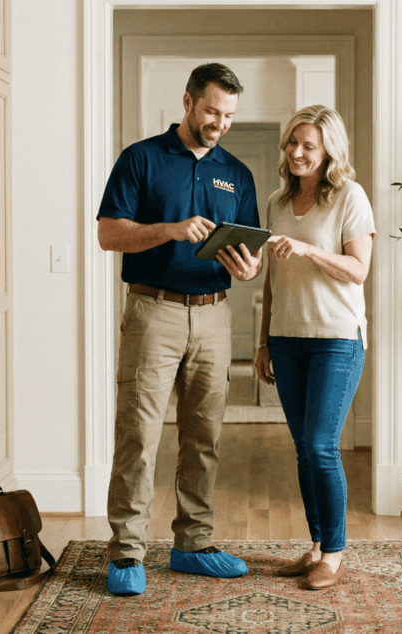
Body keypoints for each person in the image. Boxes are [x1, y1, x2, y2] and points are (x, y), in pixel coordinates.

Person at [97, 63, 264, 596]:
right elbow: (108, 233)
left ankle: (193, 544)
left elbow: (251, 253)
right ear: (188, 101)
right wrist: (169, 230)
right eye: (212, 110)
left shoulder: (237, 173)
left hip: (215, 313)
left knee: (204, 437)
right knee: (139, 435)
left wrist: (248, 268)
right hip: (154, 312)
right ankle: (126, 552)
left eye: (229, 115)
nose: (219, 123)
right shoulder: (140, 158)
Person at [255, 105, 375, 591]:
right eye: (293, 143)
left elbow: (358, 269)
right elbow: (270, 281)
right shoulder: (277, 202)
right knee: (305, 450)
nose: (298, 152)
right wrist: (262, 342)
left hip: (337, 341)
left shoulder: (350, 197)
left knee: (323, 447)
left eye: (309, 145)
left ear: (329, 150)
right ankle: (317, 546)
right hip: (286, 339)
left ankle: (335, 553)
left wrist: (307, 249)